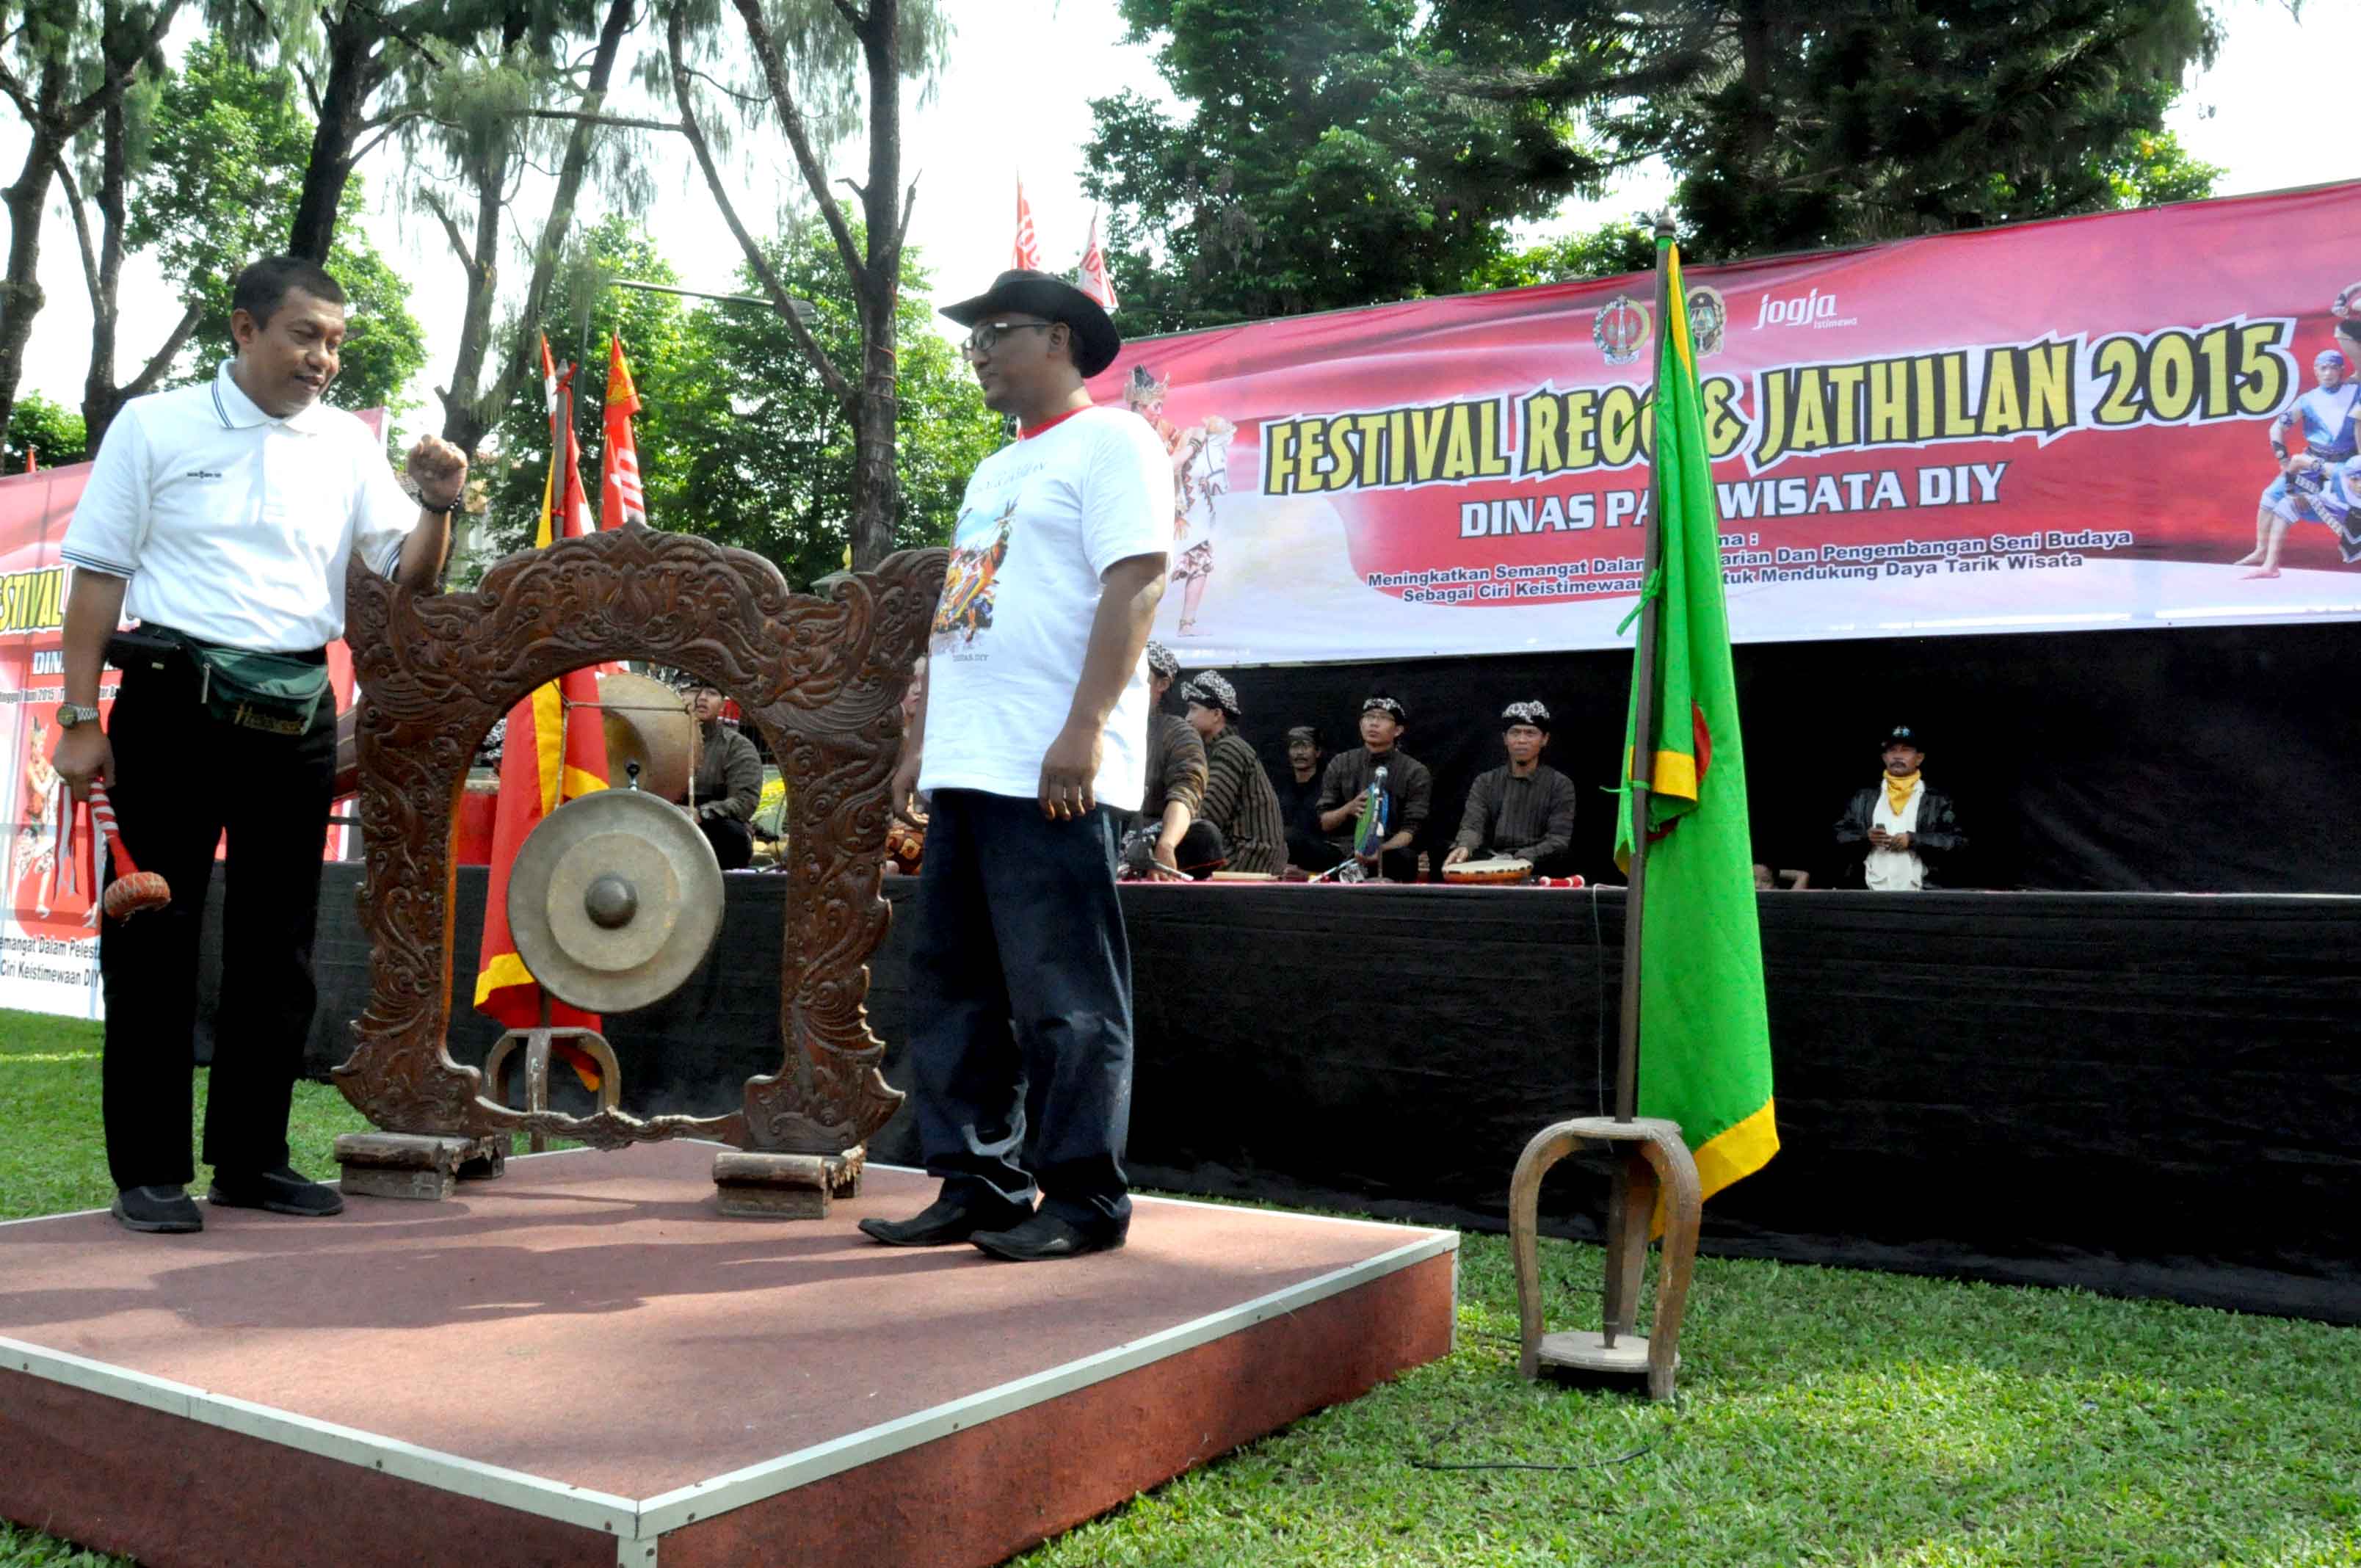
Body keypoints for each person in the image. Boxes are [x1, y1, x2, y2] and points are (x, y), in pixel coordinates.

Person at [56, 254, 465, 1235]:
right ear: (243, 329)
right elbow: (99, 578)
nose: (322, 358)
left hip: (297, 707)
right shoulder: (155, 426)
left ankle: (251, 1158)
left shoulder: (348, 445)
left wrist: (438, 504)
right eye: (303, 335)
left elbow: (407, 577)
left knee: (278, 946)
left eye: (334, 342)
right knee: (156, 936)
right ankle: (148, 1174)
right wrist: (78, 719)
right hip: (169, 698)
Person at [860, 266, 1170, 1263]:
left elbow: (1138, 580)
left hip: (1053, 764)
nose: (981, 352)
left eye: (999, 332)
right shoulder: (995, 470)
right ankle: (981, 1185)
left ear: (1063, 341)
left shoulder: (1118, 441)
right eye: (976, 337)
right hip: (969, 759)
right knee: (951, 988)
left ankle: (1084, 1199)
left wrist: (1084, 728)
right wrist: (921, 738)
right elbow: (962, 614)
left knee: (1065, 997)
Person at [2234, 348, 2359, 578]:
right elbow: (2277, 428)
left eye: (2333, 367)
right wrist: (2284, 461)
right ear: (2315, 370)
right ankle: (2262, 552)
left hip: (2347, 468)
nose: (2328, 372)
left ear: (2342, 370)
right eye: (2323, 367)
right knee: (2271, 497)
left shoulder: (2355, 391)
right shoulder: (2307, 400)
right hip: (2311, 463)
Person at [1443, 700, 1579, 879]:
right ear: (1505, 738)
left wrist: (1522, 858)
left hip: (1538, 867)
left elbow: (1559, 840)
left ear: (1544, 739)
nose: (1522, 740)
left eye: (1530, 733)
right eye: (1515, 732)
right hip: (1491, 863)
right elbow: (1472, 826)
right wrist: (1465, 846)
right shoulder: (1485, 782)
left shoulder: (1560, 785)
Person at [1833, 725, 1968, 891]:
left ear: (1919, 758)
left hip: (1923, 894)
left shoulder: (1938, 800)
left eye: (1905, 750)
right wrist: (1865, 837)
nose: (1897, 756)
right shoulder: (1863, 797)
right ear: (1884, 757)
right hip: (1867, 893)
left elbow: (1958, 843)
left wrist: (1913, 840)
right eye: (1892, 750)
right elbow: (1838, 836)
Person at [1179, 670, 1286, 876]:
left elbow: (1208, 815)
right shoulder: (1224, 748)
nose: (1187, 718)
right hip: (1247, 854)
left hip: (1248, 858)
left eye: (1193, 709)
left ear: (1217, 714)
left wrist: (1165, 832)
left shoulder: (1229, 748)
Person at [1316, 694, 1432, 882]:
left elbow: (1410, 830)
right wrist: (1348, 809)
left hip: (1387, 852)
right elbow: (1325, 822)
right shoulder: (1341, 763)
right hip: (1343, 852)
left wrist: (1377, 851)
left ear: (1398, 730)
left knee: (1406, 858)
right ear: (1361, 724)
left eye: (1383, 718)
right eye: (1369, 717)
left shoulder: (1415, 771)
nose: (1374, 723)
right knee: (1295, 841)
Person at [1124, 640, 1211, 876]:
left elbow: (1186, 790)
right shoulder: (1099, 724)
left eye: (1137, 672)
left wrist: (1167, 844)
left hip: (1152, 834)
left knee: (1204, 836)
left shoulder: (1177, 732)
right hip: (1103, 829)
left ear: (1162, 684)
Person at [674, 678, 762, 870]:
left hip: (715, 827)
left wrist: (701, 813)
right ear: (679, 696)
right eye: (695, 690)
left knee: (732, 835)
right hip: (668, 821)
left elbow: (745, 801)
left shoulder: (737, 747)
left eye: (712, 693)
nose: (702, 698)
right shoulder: (659, 742)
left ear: (722, 704)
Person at [1274, 725, 1338, 874]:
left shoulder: (1328, 785)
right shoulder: (1281, 787)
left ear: (1318, 752)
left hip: (1320, 852)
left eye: (1306, 747)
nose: (1300, 753)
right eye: (1295, 747)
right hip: (1285, 852)